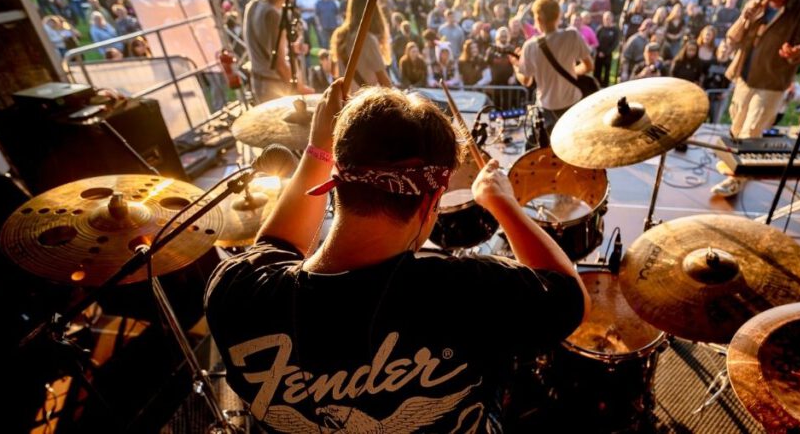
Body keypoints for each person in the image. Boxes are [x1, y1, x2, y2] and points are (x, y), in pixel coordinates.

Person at [205, 82, 589, 434]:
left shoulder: (236, 294)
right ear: (431, 200)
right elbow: (570, 297)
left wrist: (319, 148)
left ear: (335, 179)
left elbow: (272, 246)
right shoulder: (469, 292)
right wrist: (503, 203)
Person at [711, 0, 800, 197]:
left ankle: (737, 179)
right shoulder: (756, 4)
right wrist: (745, 18)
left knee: (752, 130)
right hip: (745, 75)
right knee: (737, 125)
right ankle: (735, 165)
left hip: (771, 83)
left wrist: (795, 54)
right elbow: (733, 37)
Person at [512, 0, 594, 128]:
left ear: (538, 19)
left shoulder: (530, 46)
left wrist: (516, 66)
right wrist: (571, 72)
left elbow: (527, 81)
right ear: (558, 15)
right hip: (573, 104)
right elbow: (589, 66)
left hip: (547, 109)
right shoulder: (572, 35)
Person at [244, 0, 315, 102]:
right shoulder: (273, 16)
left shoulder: (254, 4)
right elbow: (279, 63)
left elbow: (266, 44)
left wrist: (291, 47)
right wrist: (300, 88)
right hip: (274, 87)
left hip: (259, 82)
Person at [330, 0, 394, 90]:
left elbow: (334, 72)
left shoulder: (339, 35)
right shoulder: (367, 39)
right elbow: (383, 79)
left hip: (347, 97)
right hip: (363, 97)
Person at [594, 11, 620, 87]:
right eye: (605, 18)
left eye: (608, 18)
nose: (607, 20)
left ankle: (604, 86)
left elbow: (615, 44)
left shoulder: (615, 30)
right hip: (599, 54)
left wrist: (605, 53)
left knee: (607, 72)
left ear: (612, 19)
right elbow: (595, 40)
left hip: (608, 55)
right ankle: (596, 85)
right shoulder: (600, 29)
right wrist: (599, 51)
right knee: (597, 70)